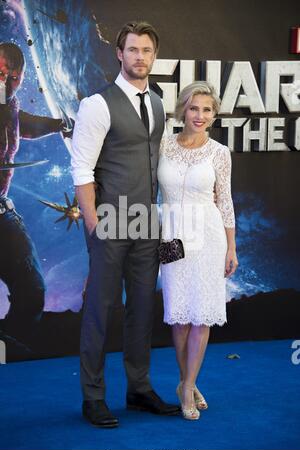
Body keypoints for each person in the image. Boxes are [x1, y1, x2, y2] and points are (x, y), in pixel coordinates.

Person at [71, 21, 180, 428]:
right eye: (132, 50)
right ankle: (93, 397)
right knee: (99, 311)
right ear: (120, 54)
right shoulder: (97, 105)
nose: (140, 57)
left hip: (146, 223)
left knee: (141, 310)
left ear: (154, 56)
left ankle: (138, 389)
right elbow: (81, 169)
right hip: (110, 224)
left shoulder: (156, 102)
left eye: (147, 50)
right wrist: (93, 224)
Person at [157, 81, 238, 420]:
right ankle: (185, 382)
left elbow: (226, 201)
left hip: (208, 236)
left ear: (214, 114)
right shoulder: (162, 145)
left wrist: (232, 246)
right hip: (171, 235)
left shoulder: (220, 153)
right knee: (179, 316)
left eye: (207, 110)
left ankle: (188, 387)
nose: (200, 115)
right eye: (194, 108)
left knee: (201, 314)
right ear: (183, 110)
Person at [0, 42, 73, 346]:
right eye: (2, 73)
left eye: (12, 76)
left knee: (32, 290)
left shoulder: (10, 104)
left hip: (1, 212)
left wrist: (58, 125)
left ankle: (8, 345)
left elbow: (23, 125)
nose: (7, 81)